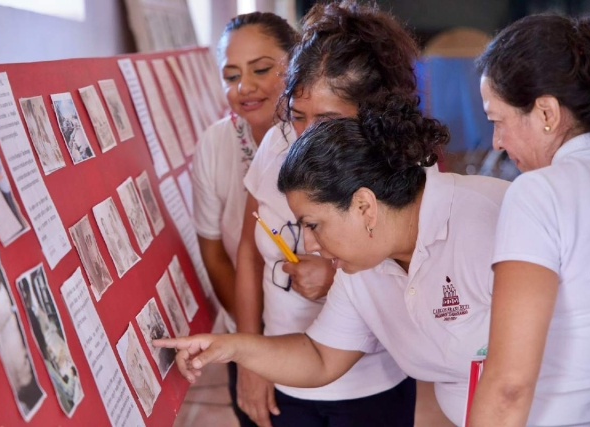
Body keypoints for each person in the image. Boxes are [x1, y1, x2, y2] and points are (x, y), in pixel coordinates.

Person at [154, 93, 513, 426]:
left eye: (313, 225)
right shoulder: (362, 263)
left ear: (364, 207)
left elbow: (521, 379)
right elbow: (320, 357)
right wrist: (230, 347)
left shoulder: (490, 221)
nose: (310, 244)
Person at [232, 3, 421, 426]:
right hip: (282, 374)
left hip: (371, 383)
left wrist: (337, 276)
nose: (308, 134)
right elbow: (248, 248)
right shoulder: (278, 144)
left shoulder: (404, 160)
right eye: (299, 117)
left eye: (329, 119)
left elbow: (421, 277)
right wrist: (251, 359)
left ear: (374, 111)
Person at [468, 15, 590, 427]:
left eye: (497, 121)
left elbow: (509, 385)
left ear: (546, 112)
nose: (496, 143)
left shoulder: (539, 192)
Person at [190, 12, 298, 427]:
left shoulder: (318, 133)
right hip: (247, 324)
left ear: (295, 64)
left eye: (262, 69)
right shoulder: (217, 143)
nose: (244, 87)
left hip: (322, 331)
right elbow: (214, 250)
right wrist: (252, 345)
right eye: (231, 75)